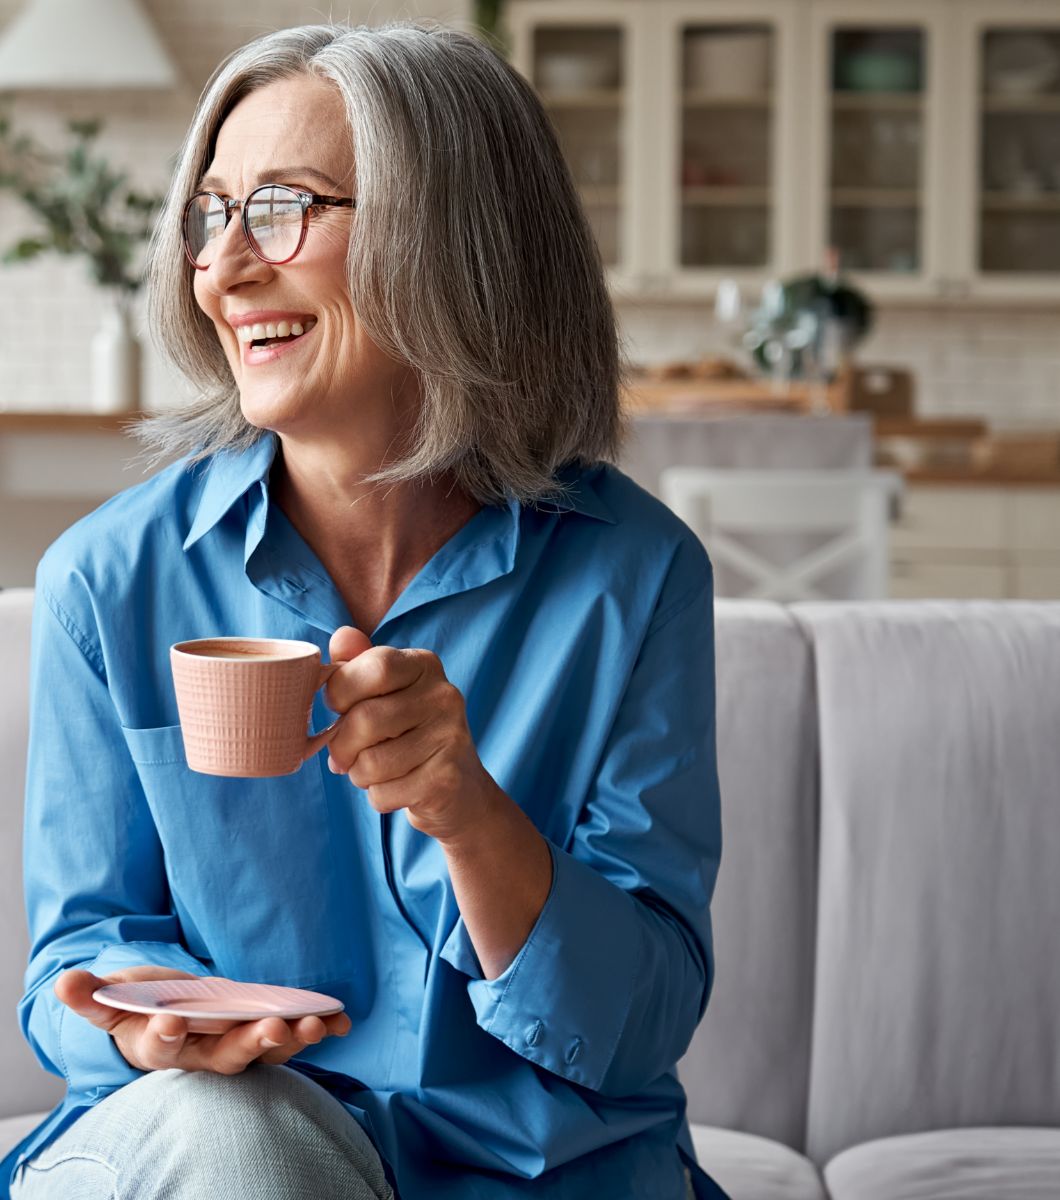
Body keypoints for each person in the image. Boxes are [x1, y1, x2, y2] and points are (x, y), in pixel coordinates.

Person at [3, 21, 725, 1200]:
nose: (224, 268)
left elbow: (637, 1021)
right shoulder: (112, 580)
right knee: (242, 1142)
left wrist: (468, 812)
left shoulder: (633, 579)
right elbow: (77, 961)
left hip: (535, 1175)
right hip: (217, 1148)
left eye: (281, 208)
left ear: (452, 238)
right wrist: (142, 1028)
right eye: (209, 213)